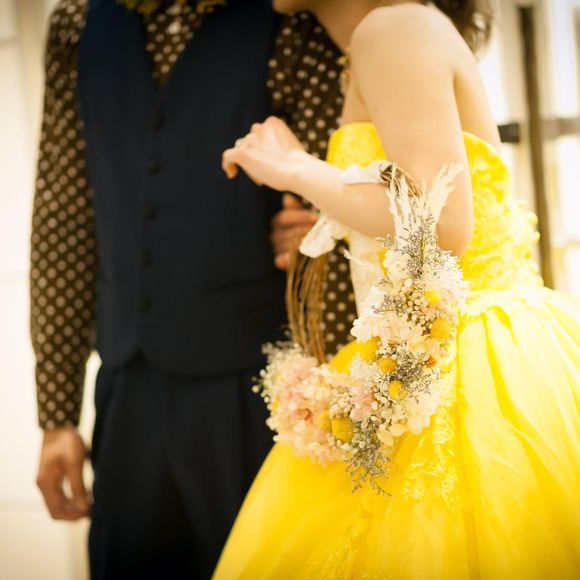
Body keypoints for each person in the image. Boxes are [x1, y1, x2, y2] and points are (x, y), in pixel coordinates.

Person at [215, 0, 580, 577]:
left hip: (469, 359)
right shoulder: (386, 34)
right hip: (434, 348)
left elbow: (443, 223)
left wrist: (294, 168)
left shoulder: (392, 29)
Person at [30, 0, 354, 577]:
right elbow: (65, 212)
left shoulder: (292, 13)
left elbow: (345, 178)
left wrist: (316, 228)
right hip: (128, 386)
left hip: (259, 383)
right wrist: (57, 414)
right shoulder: (77, 23)